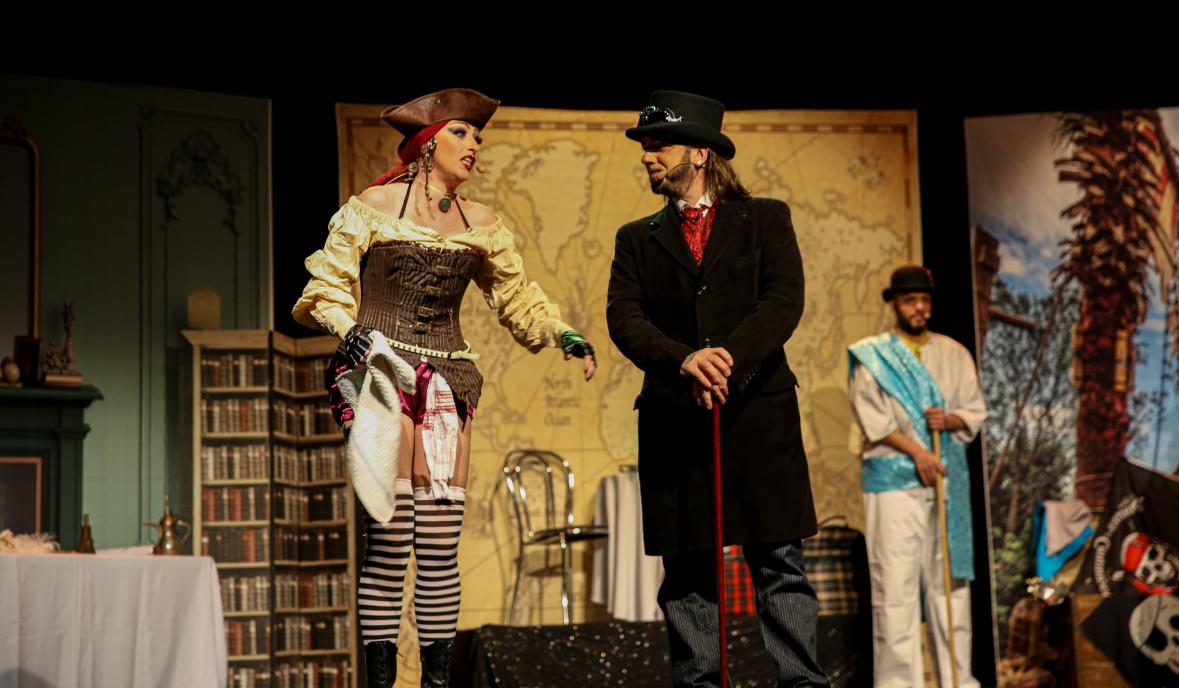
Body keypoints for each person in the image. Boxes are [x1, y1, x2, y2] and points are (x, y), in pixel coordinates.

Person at [292, 88, 596, 688]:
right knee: (390, 540)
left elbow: (516, 299)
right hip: (381, 373)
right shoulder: (375, 206)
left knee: (438, 543)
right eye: (462, 133)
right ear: (428, 145)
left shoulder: (481, 224)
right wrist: (352, 333)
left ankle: (435, 682)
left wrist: (561, 334)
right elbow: (325, 287)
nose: (474, 144)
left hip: (448, 379)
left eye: (478, 136)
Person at [606, 90, 826, 687]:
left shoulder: (765, 219)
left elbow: (783, 300)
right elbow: (624, 317)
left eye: (660, 145)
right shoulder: (636, 238)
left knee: (779, 562)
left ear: (700, 154)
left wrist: (725, 359)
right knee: (687, 573)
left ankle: (802, 682)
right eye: (646, 147)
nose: (648, 156)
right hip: (676, 420)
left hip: (758, 414)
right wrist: (684, 361)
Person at [847, 265, 987, 687]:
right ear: (895, 304)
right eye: (910, 300)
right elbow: (874, 422)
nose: (919, 308)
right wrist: (918, 452)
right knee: (896, 589)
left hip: (947, 481)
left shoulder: (954, 353)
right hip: (894, 485)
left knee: (951, 587)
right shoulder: (873, 356)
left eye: (925, 300)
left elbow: (973, 410)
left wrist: (951, 419)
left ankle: (957, 681)